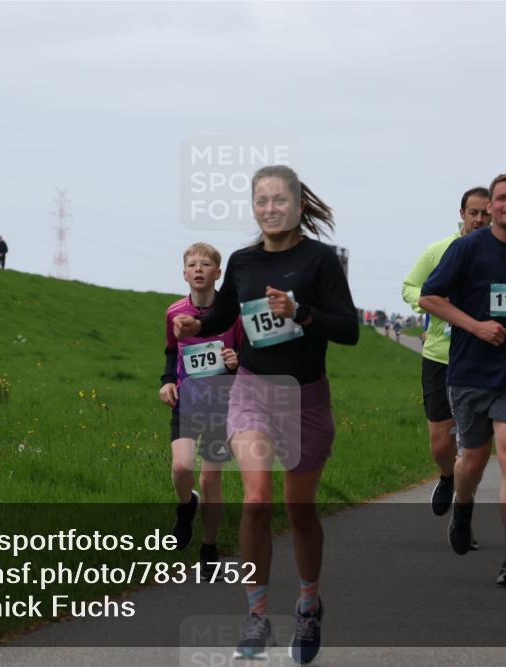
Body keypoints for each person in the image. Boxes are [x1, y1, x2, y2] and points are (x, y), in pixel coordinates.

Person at [173, 165, 358, 664]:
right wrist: (196, 322)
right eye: (262, 201)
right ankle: (257, 616)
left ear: (299, 206)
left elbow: (349, 330)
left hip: (305, 400)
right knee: (256, 500)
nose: (271, 208)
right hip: (253, 392)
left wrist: (301, 312)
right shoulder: (243, 261)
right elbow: (224, 314)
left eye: (280, 200)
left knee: (300, 510)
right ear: (253, 207)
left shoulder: (320, 261)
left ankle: (308, 603)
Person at [420, 173, 506, 589]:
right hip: (470, 373)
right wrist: (476, 327)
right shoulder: (467, 249)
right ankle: (463, 508)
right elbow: (430, 296)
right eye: (502, 199)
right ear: (492, 206)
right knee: (473, 462)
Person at [401, 186, 490, 517]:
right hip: (441, 355)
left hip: (482, 359)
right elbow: (409, 286)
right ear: (462, 214)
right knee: (441, 442)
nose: (480, 219)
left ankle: (465, 509)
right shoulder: (440, 250)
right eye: (474, 213)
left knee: (473, 445)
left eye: (486, 214)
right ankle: (447, 476)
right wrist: (434, 304)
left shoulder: (501, 256)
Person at [159, 243, 244, 568]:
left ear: (218, 273)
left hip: (222, 406)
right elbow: (170, 351)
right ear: (184, 273)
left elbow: (245, 356)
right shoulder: (174, 312)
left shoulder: (233, 313)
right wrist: (166, 381)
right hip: (187, 403)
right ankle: (186, 506)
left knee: (210, 480)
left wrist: (235, 361)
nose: (198, 269)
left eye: (205, 264)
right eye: (192, 265)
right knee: (181, 467)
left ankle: (208, 549)